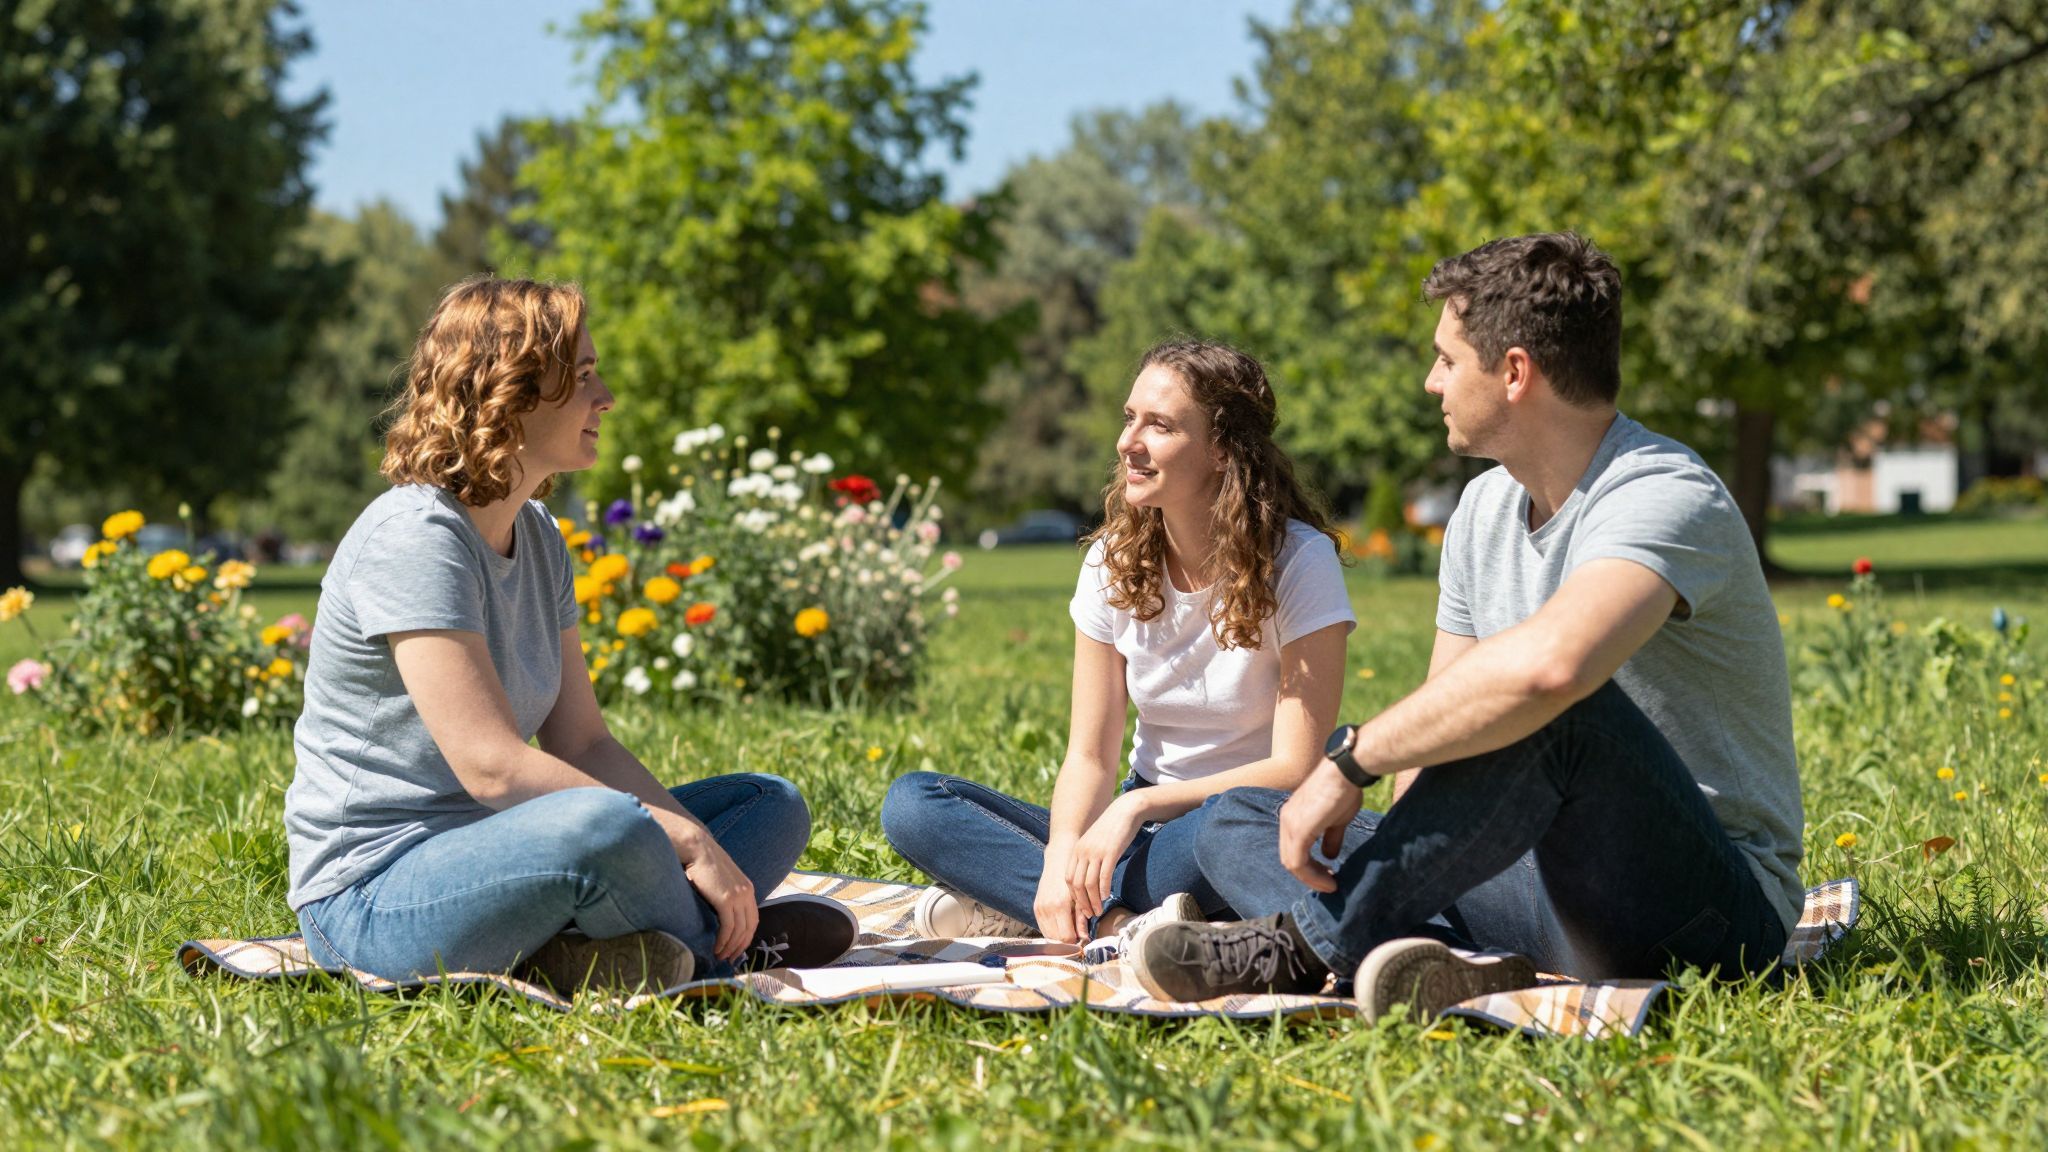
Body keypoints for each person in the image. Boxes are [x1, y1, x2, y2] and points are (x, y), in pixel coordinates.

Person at [1130, 234, 1805, 1020]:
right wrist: (1373, 809)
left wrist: (1349, 763)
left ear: (1514, 372)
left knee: (1557, 710)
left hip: (1708, 918)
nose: (1430, 382)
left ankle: (1313, 944)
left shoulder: (1663, 493)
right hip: (1540, 893)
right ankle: (1444, 961)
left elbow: (1551, 669)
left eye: (1448, 360)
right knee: (1240, 819)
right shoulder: (1482, 509)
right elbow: (1438, 729)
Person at [283, 276, 854, 994]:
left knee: (770, 805)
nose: (606, 396)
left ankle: (609, 944)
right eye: (583, 377)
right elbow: (491, 766)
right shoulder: (415, 538)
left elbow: (583, 743)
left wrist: (696, 835)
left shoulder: (539, 536)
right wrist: (677, 838)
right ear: (510, 392)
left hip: (512, 851)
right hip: (374, 899)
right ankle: (726, 947)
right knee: (608, 830)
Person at [880, 341, 1356, 952]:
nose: (1128, 441)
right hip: (1139, 831)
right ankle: (1118, 926)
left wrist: (1137, 810)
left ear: (1221, 449)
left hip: (1244, 824)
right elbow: (1090, 755)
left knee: (1216, 835)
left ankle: (1037, 906)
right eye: (1129, 417)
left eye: (1158, 425)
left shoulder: (1299, 561)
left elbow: (1296, 767)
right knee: (913, 806)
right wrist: (1058, 859)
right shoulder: (1112, 560)